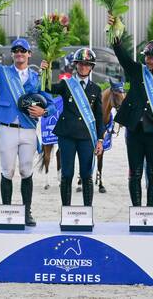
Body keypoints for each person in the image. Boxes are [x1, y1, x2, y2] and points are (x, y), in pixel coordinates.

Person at [0, 17, 56, 226]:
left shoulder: (37, 77)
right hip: (8, 128)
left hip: (29, 129)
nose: (19, 54)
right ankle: (6, 212)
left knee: (26, 170)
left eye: (23, 51)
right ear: (12, 54)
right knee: (7, 170)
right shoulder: (3, 72)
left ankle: (27, 212)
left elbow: (51, 103)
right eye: (16, 51)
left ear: (29, 54)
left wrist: (44, 111)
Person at [108, 15, 153, 207]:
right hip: (134, 131)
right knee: (135, 173)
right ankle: (137, 211)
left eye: (152, 57)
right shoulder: (137, 71)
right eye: (147, 56)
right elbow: (122, 55)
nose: (148, 60)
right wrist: (115, 32)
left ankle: (151, 211)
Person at [42, 48, 104, 206]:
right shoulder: (66, 84)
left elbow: (98, 117)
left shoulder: (96, 89)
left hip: (86, 137)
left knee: (86, 175)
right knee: (67, 174)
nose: (84, 67)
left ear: (91, 67)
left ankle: (87, 210)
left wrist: (100, 139)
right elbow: (47, 88)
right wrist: (45, 70)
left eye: (87, 64)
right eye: (81, 64)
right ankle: (66, 210)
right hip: (67, 136)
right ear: (76, 65)